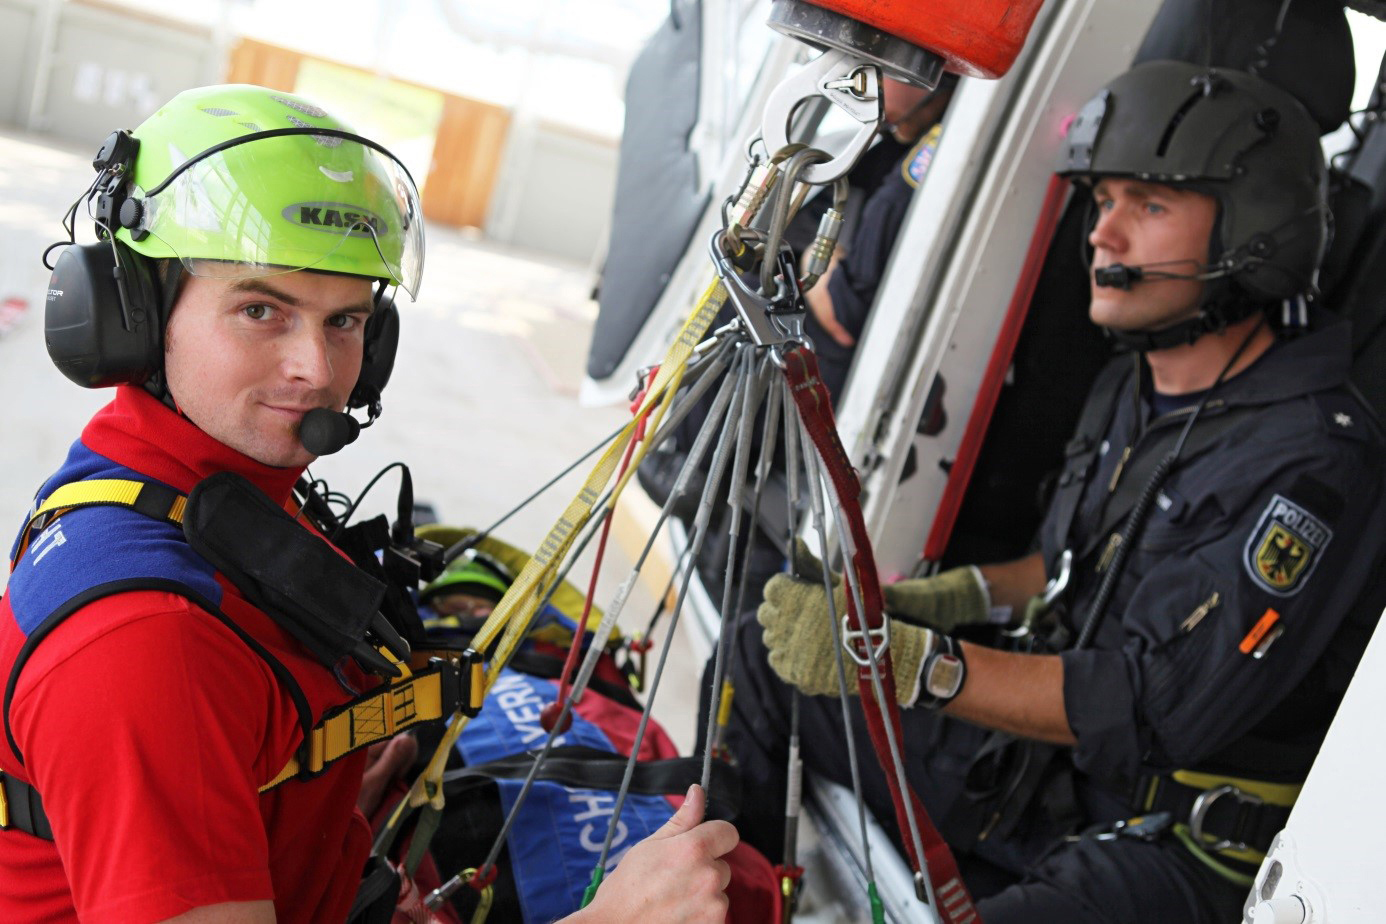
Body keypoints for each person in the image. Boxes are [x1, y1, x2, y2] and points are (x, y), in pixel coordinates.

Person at [0, 85, 737, 923]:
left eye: (346, 320)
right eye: (260, 309)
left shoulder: (187, 489)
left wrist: (316, 792)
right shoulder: (146, 647)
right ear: (132, 314)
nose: (316, 368)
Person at [713, 59, 1386, 923]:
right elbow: (1070, 565)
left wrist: (904, 658)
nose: (1104, 235)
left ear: (1251, 229)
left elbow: (1155, 706)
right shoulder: (1133, 389)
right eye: (1103, 203)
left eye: (1149, 205)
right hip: (1054, 776)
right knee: (762, 665)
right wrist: (945, 600)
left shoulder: (1316, 464)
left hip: (1178, 841)